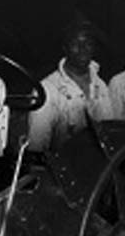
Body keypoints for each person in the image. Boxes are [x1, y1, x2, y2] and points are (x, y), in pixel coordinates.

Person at [26, 19, 119, 151]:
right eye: (75, 43)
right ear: (65, 48)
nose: (82, 49)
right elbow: (36, 147)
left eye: (88, 43)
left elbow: (111, 134)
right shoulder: (47, 89)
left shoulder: (101, 85)